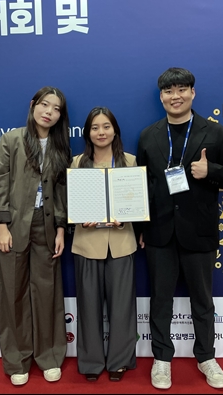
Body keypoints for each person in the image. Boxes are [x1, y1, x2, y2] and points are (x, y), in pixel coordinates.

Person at [136, 67, 223, 390]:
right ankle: (162, 359)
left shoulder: (215, 132)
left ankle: (206, 357)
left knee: (203, 301)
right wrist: (140, 227)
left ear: (192, 93)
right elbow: (141, 186)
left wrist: (211, 171)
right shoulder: (149, 136)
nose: (176, 96)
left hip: (199, 231)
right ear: (161, 97)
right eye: (169, 91)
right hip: (159, 232)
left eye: (182, 89)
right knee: (160, 300)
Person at [0, 86, 72, 386]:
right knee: (13, 294)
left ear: (61, 115)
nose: (49, 112)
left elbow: (61, 192)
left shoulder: (60, 147)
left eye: (56, 108)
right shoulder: (12, 139)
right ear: (33, 105)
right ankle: (17, 361)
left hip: (47, 227)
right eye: (45, 105)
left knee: (47, 292)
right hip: (14, 226)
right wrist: (1, 226)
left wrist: (61, 228)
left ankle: (49, 356)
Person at [70, 107, 138, 383]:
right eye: (95, 127)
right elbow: (69, 204)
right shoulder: (77, 164)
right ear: (88, 133)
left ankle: (119, 361)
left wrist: (126, 218)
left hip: (121, 242)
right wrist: (80, 219)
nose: (101, 132)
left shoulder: (130, 162)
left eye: (106, 126)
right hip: (87, 243)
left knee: (122, 307)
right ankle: (91, 362)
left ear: (115, 130)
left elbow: (138, 203)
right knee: (88, 306)